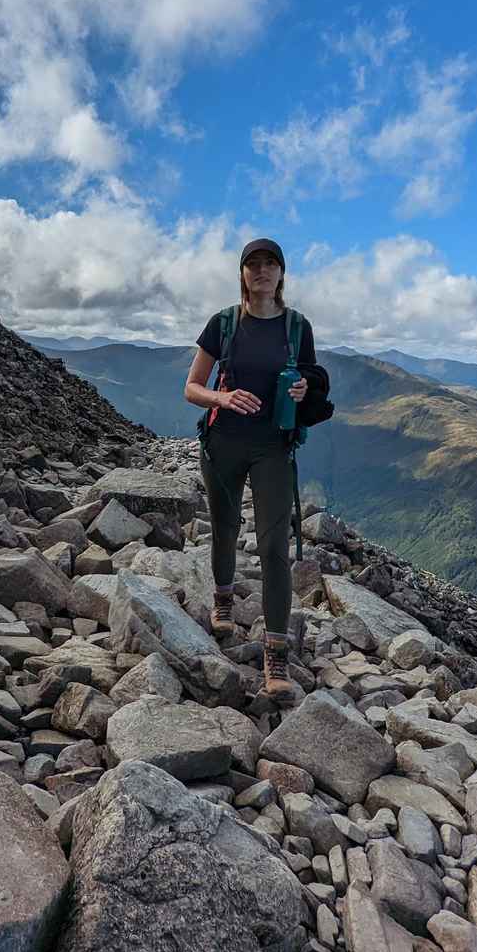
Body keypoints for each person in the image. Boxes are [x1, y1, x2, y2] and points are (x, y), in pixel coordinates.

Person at [184, 237, 317, 701]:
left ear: (282, 273)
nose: (261, 271)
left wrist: (302, 390)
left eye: (270, 264)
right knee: (223, 526)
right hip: (222, 443)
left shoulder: (297, 327)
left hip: (273, 448)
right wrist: (221, 397)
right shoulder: (223, 324)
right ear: (242, 273)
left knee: (273, 545)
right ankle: (223, 598)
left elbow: (311, 382)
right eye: (253, 264)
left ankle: (275, 651)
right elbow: (192, 387)